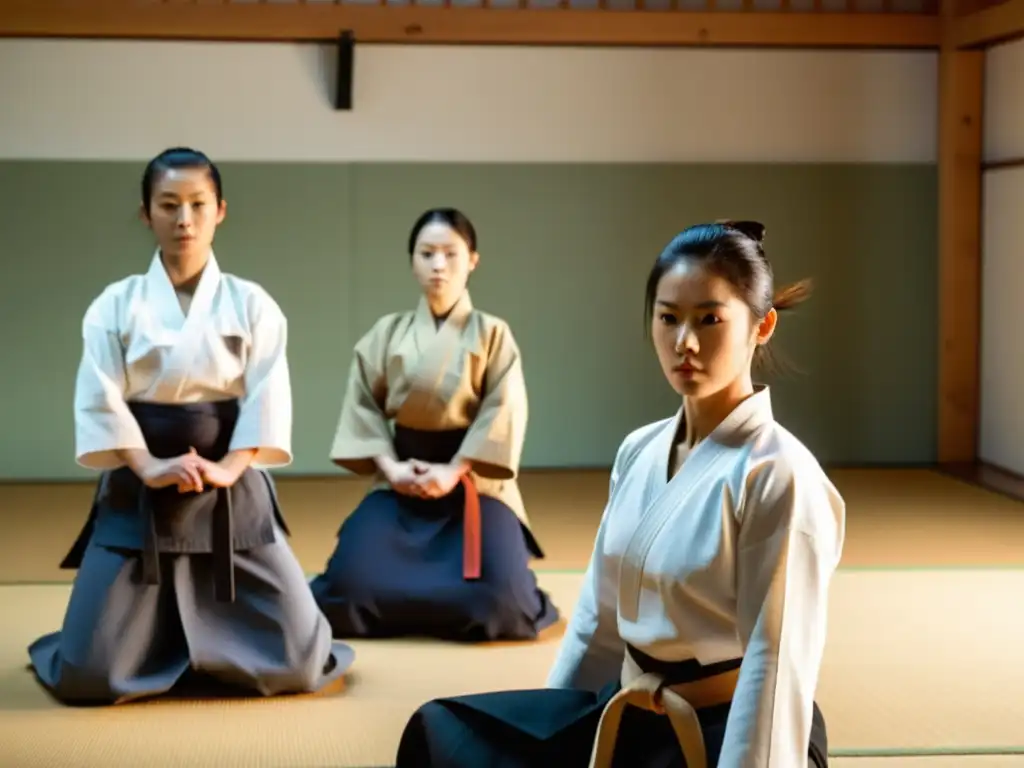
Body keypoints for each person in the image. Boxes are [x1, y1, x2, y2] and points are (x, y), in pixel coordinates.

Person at [394, 221, 844, 767]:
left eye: (710, 319)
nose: (686, 342)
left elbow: (776, 664)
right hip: (628, 711)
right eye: (668, 318)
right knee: (445, 735)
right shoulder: (640, 450)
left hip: (727, 731)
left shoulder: (780, 475)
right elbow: (597, 620)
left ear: (762, 325)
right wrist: (553, 726)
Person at [28, 147, 355, 706]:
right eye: (169, 204)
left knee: (300, 662)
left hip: (230, 489)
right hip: (140, 484)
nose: (184, 219)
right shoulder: (116, 303)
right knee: (90, 673)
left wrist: (229, 468)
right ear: (145, 214)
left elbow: (267, 392)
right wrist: (150, 466)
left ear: (220, 210)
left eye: (198, 204)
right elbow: (100, 395)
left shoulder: (251, 303)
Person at [309, 207, 559, 643]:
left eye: (450, 254)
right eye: (427, 253)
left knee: (503, 605)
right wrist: (391, 469)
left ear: (472, 260)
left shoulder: (492, 333)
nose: (438, 265)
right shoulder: (387, 332)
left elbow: (504, 408)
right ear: (413, 260)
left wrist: (454, 470)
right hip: (401, 480)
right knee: (347, 591)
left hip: (474, 483)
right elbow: (362, 405)